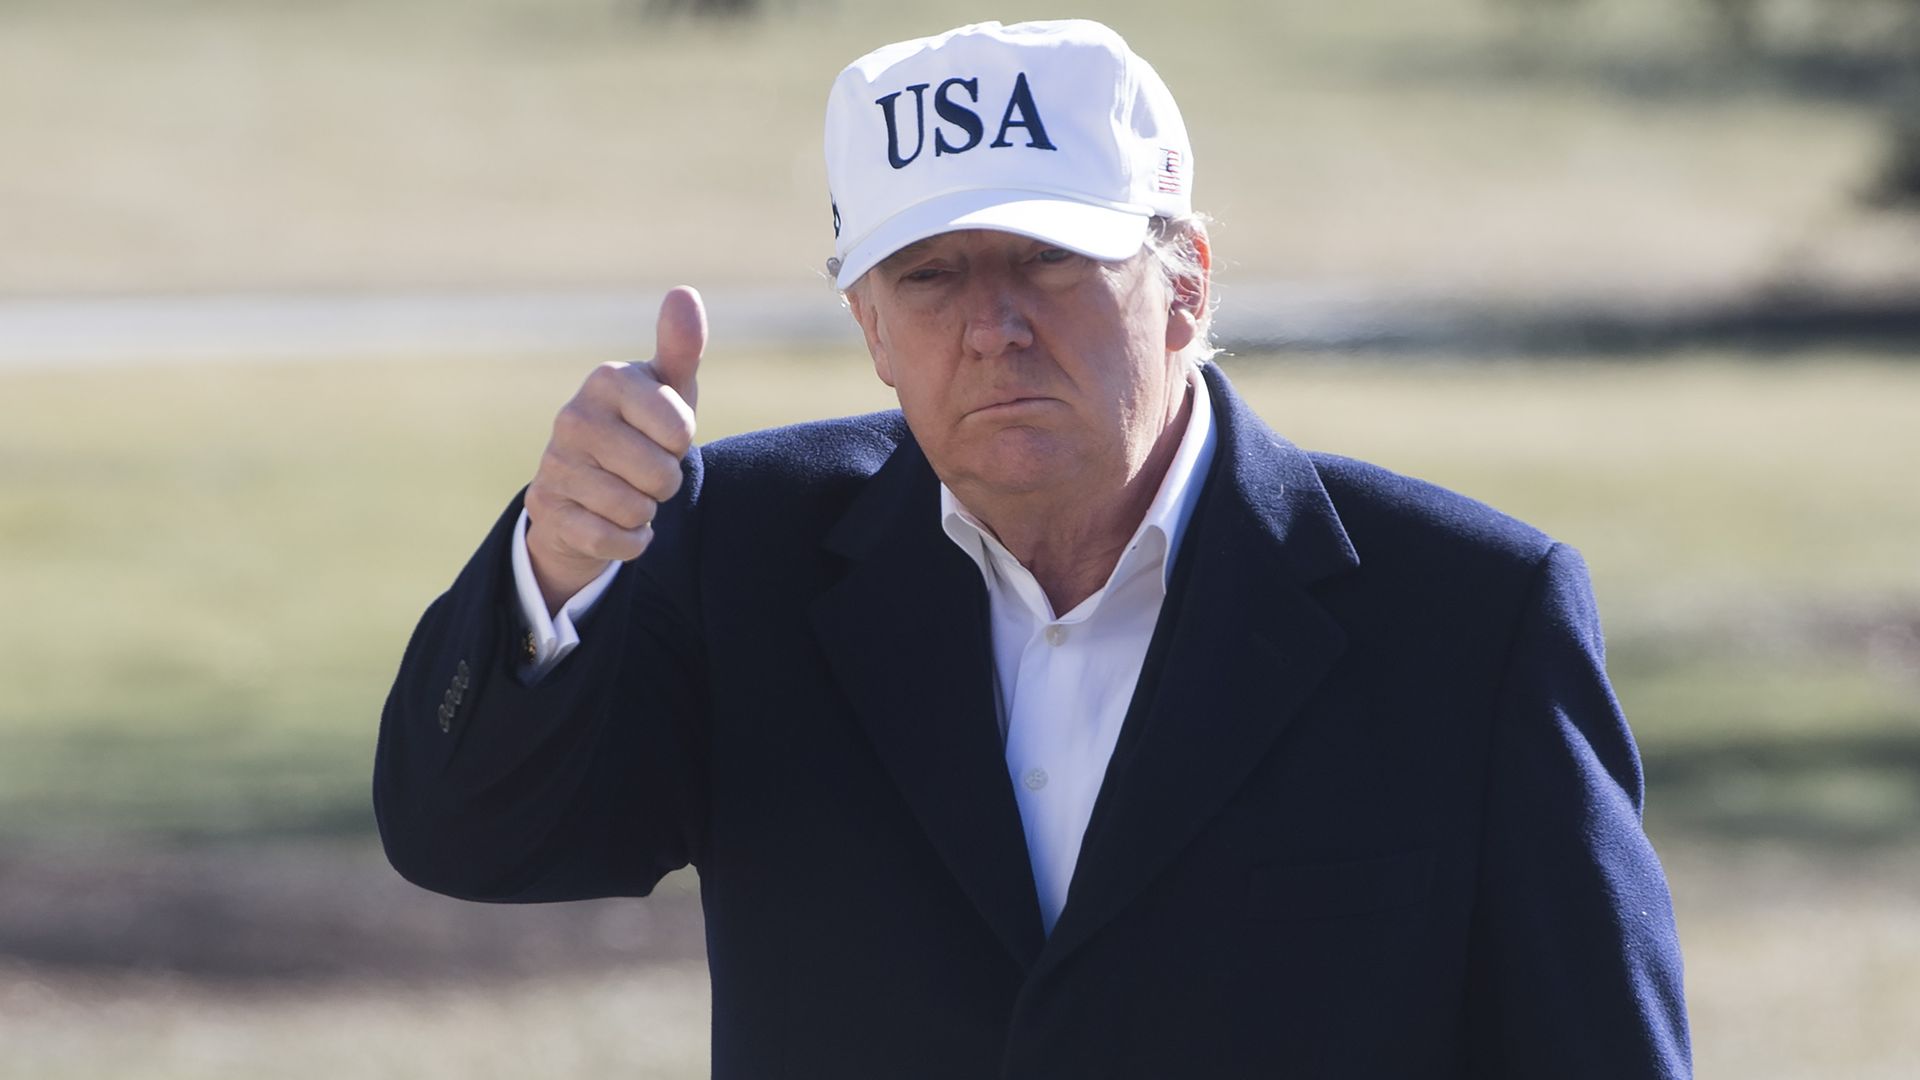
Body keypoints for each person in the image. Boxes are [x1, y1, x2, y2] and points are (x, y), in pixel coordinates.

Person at [375, 19, 1691, 1078]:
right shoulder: (738, 555)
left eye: (1051, 261)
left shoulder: (1469, 618)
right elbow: (470, 842)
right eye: (931, 278)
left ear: (1187, 281)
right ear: (871, 328)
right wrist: (552, 572)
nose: (992, 325)